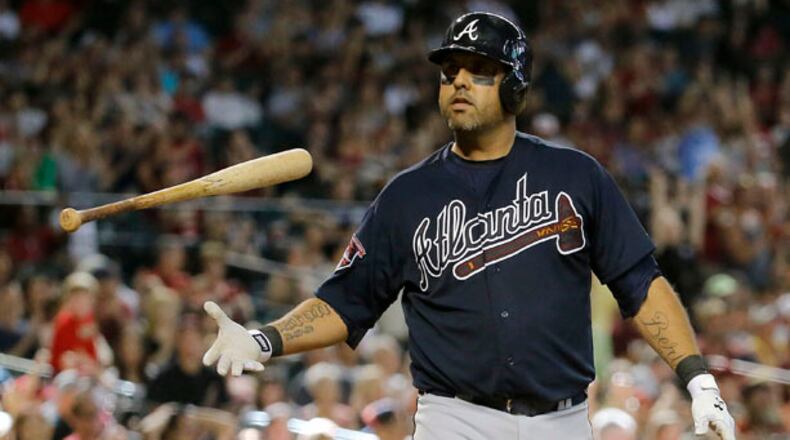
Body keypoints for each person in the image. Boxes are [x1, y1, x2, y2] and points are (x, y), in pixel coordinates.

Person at [202, 12, 736, 440]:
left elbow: (640, 284)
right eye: (449, 71)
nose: (459, 80)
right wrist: (264, 339)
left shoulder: (576, 176)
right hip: (455, 420)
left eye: (479, 71)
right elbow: (346, 301)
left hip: (564, 422)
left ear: (515, 88)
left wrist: (700, 381)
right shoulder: (408, 196)